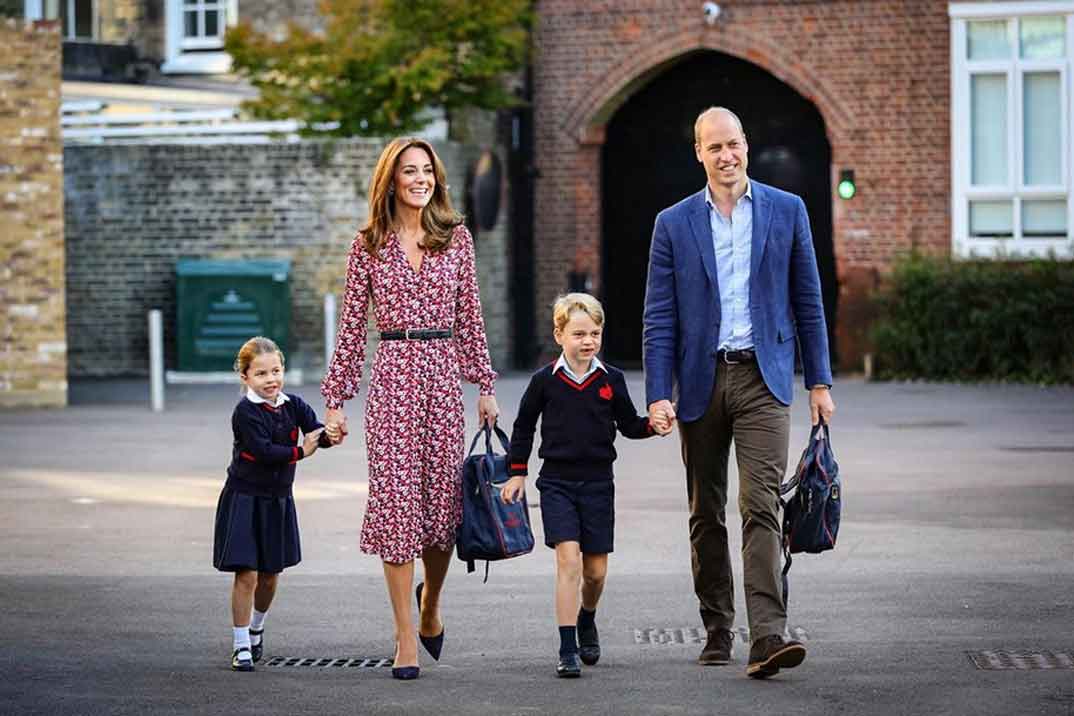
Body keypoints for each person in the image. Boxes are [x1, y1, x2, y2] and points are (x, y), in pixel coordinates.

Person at [642, 107, 836, 679]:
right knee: (706, 512)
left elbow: (809, 300)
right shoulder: (673, 223)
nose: (726, 157)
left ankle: (768, 636)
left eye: (734, 145)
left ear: (746, 145)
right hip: (699, 382)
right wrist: (658, 392)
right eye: (714, 148)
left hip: (764, 378)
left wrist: (819, 382)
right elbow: (659, 318)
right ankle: (718, 626)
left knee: (761, 505)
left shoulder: (787, 210)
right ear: (697, 153)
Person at [320, 137, 499, 681]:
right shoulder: (367, 245)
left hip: (443, 376)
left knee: (441, 515)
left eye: (427, 170)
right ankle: (403, 636)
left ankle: (430, 606)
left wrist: (484, 385)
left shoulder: (456, 239)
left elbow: (470, 315)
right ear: (390, 181)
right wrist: (336, 400)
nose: (419, 179)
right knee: (397, 508)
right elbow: (352, 328)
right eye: (409, 171)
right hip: (393, 377)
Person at [501, 293, 666, 678]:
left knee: (595, 574)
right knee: (568, 561)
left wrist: (651, 427)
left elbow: (628, 425)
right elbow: (524, 427)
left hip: (597, 484)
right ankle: (567, 647)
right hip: (556, 483)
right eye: (578, 333)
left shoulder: (612, 380)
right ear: (559, 335)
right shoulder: (545, 381)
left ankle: (587, 616)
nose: (588, 341)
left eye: (594, 333)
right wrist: (517, 471)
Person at [212, 336, 331, 672]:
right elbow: (263, 452)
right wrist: (301, 452)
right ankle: (240, 646)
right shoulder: (245, 413)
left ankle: (256, 629)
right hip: (245, 497)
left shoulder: (292, 404)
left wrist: (328, 435)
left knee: (270, 575)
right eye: (261, 373)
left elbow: (315, 429)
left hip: (278, 500)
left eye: (276, 371)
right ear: (245, 377)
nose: (271, 379)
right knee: (246, 573)